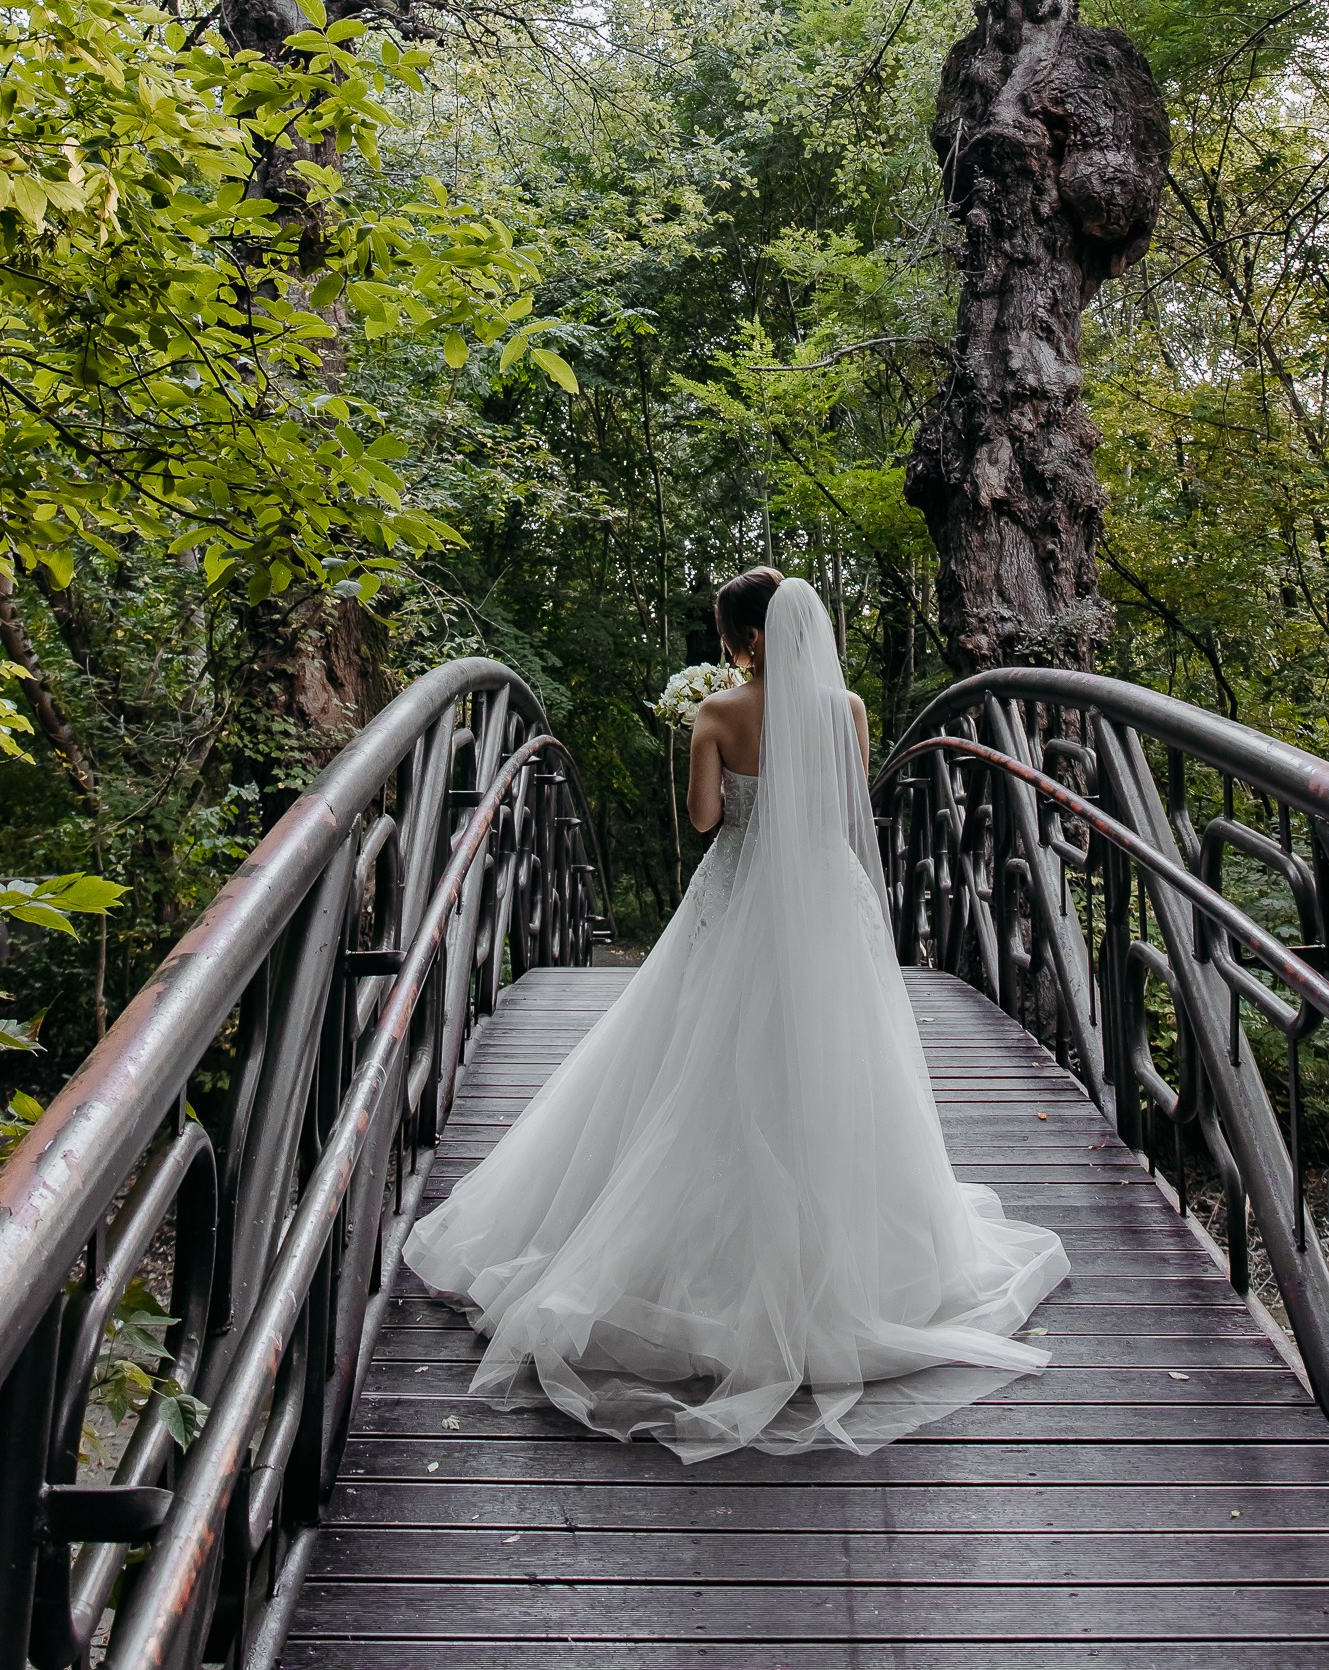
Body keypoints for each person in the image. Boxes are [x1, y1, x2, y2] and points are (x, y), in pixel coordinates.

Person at [403, 571, 1067, 1462]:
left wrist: (708, 745)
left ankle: (689, 1271)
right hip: (828, 908)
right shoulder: (850, 711)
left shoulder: (715, 717)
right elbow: (838, 810)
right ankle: (850, 1269)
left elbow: (709, 818)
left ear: (742, 640)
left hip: (739, 899)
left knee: (702, 1065)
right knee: (835, 1063)